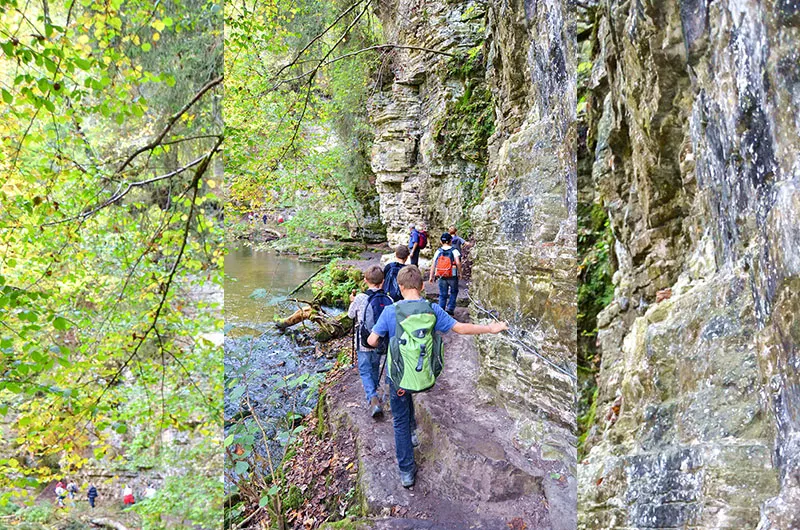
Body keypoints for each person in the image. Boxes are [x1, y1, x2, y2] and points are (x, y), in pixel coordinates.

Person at [367, 265, 508, 488]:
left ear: (400, 287)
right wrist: (490, 328)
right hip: (425, 375)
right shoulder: (432, 309)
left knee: (400, 418)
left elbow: (372, 341)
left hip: (399, 377)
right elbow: (460, 328)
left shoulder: (390, 311)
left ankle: (406, 471)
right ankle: (413, 433)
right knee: (409, 396)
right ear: (422, 286)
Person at [348, 265, 392, 418]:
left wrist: (352, 301)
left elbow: (350, 315)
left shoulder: (360, 298)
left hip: (364, 342)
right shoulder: (389, 299)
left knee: (365, 369)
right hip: (380, 341)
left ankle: (372, 398)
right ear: (383, 281)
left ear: (365, 280)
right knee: (375, 365)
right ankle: (376, 392)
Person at [429, 233, 461, 316]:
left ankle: (441, 310)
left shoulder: (438, 251)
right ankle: (450, 308)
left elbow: (433, 264)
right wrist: (460, 273)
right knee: (454, 291)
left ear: (441, 242)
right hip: (452, 275)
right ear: (451, 241)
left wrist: (431, 276)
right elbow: (458, 262)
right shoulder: (454, 250)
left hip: (441, 275)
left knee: (443, 294)